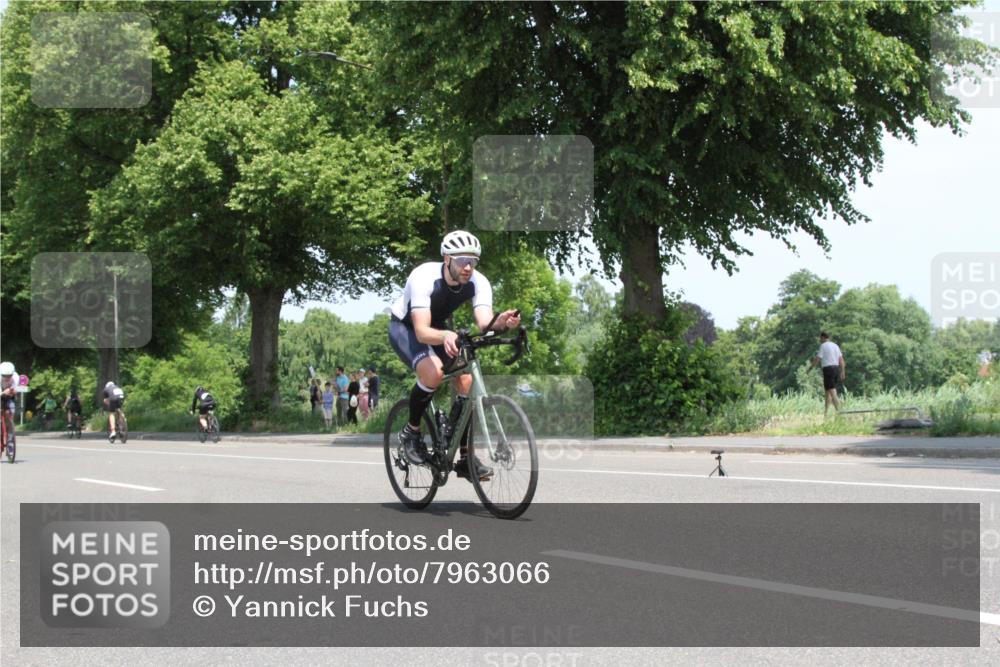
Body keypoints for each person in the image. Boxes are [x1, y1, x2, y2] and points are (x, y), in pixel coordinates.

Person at [388, 230, 520, 481]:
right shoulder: (423, 277)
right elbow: (422, 331)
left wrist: (500, 322)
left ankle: (464, 458)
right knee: (434, 372)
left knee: (467, 381)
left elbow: (485, 323)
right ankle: (411, 431)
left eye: (473, 261)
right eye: (462, 260)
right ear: (447, 259)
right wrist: (446, 335)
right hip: (406, 327)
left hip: (436, 327)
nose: (468, 267)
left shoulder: (478, 281)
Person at [808, 332, 846, 417]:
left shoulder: (823, 346)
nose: (819, 340)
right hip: (836, 369)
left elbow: (817, 359)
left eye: (820, 338)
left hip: (828, 370)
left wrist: (810, 369)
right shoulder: (836, 346)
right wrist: (843, 371)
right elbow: (841, 360)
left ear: (823, 337)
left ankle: (840, 412)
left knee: (832, 391)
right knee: (828, 391)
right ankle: (826, 413)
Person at [0, 361, 18, 456]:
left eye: (9, 375)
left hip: (9, 397)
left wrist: (13, 391)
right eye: (4, 376)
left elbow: (15, 390)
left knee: (11, 414)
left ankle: (10, 442)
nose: (7, 378)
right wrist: (3, 392)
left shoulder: (15, 377)